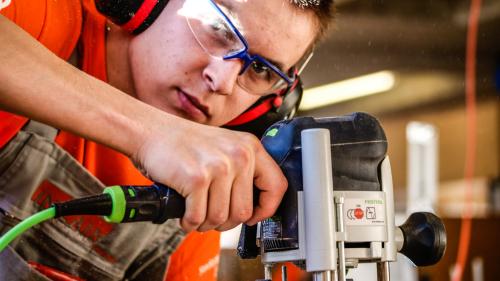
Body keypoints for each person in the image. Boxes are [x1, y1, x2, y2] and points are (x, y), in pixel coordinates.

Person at [0, 0, 335, 280]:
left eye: (261, 70)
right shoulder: (43, 19)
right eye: (219, 30)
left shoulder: (196, 195)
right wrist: (150, 133)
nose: (222, 81)